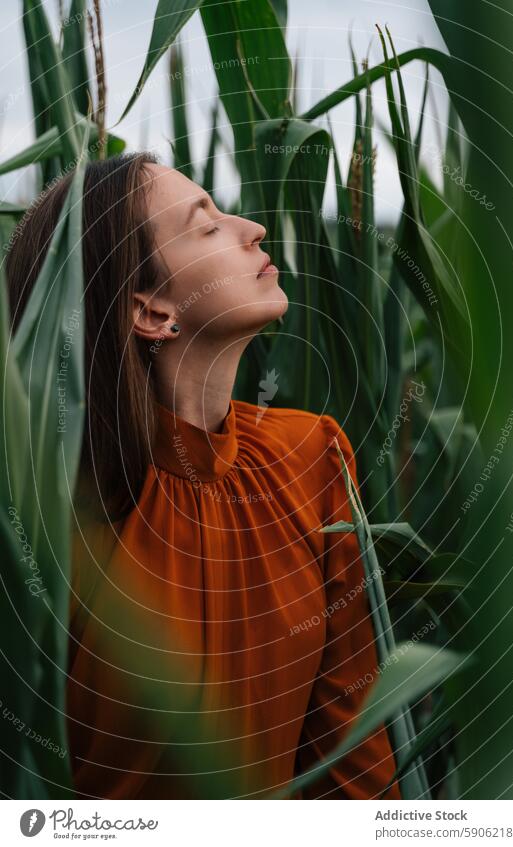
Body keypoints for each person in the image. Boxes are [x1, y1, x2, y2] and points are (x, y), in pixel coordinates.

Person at [6, 153, 401, 800]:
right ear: (153, 311)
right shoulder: (44, 508)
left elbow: (349, 755)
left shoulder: (312, 455)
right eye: (207, 225)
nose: (253, 228)